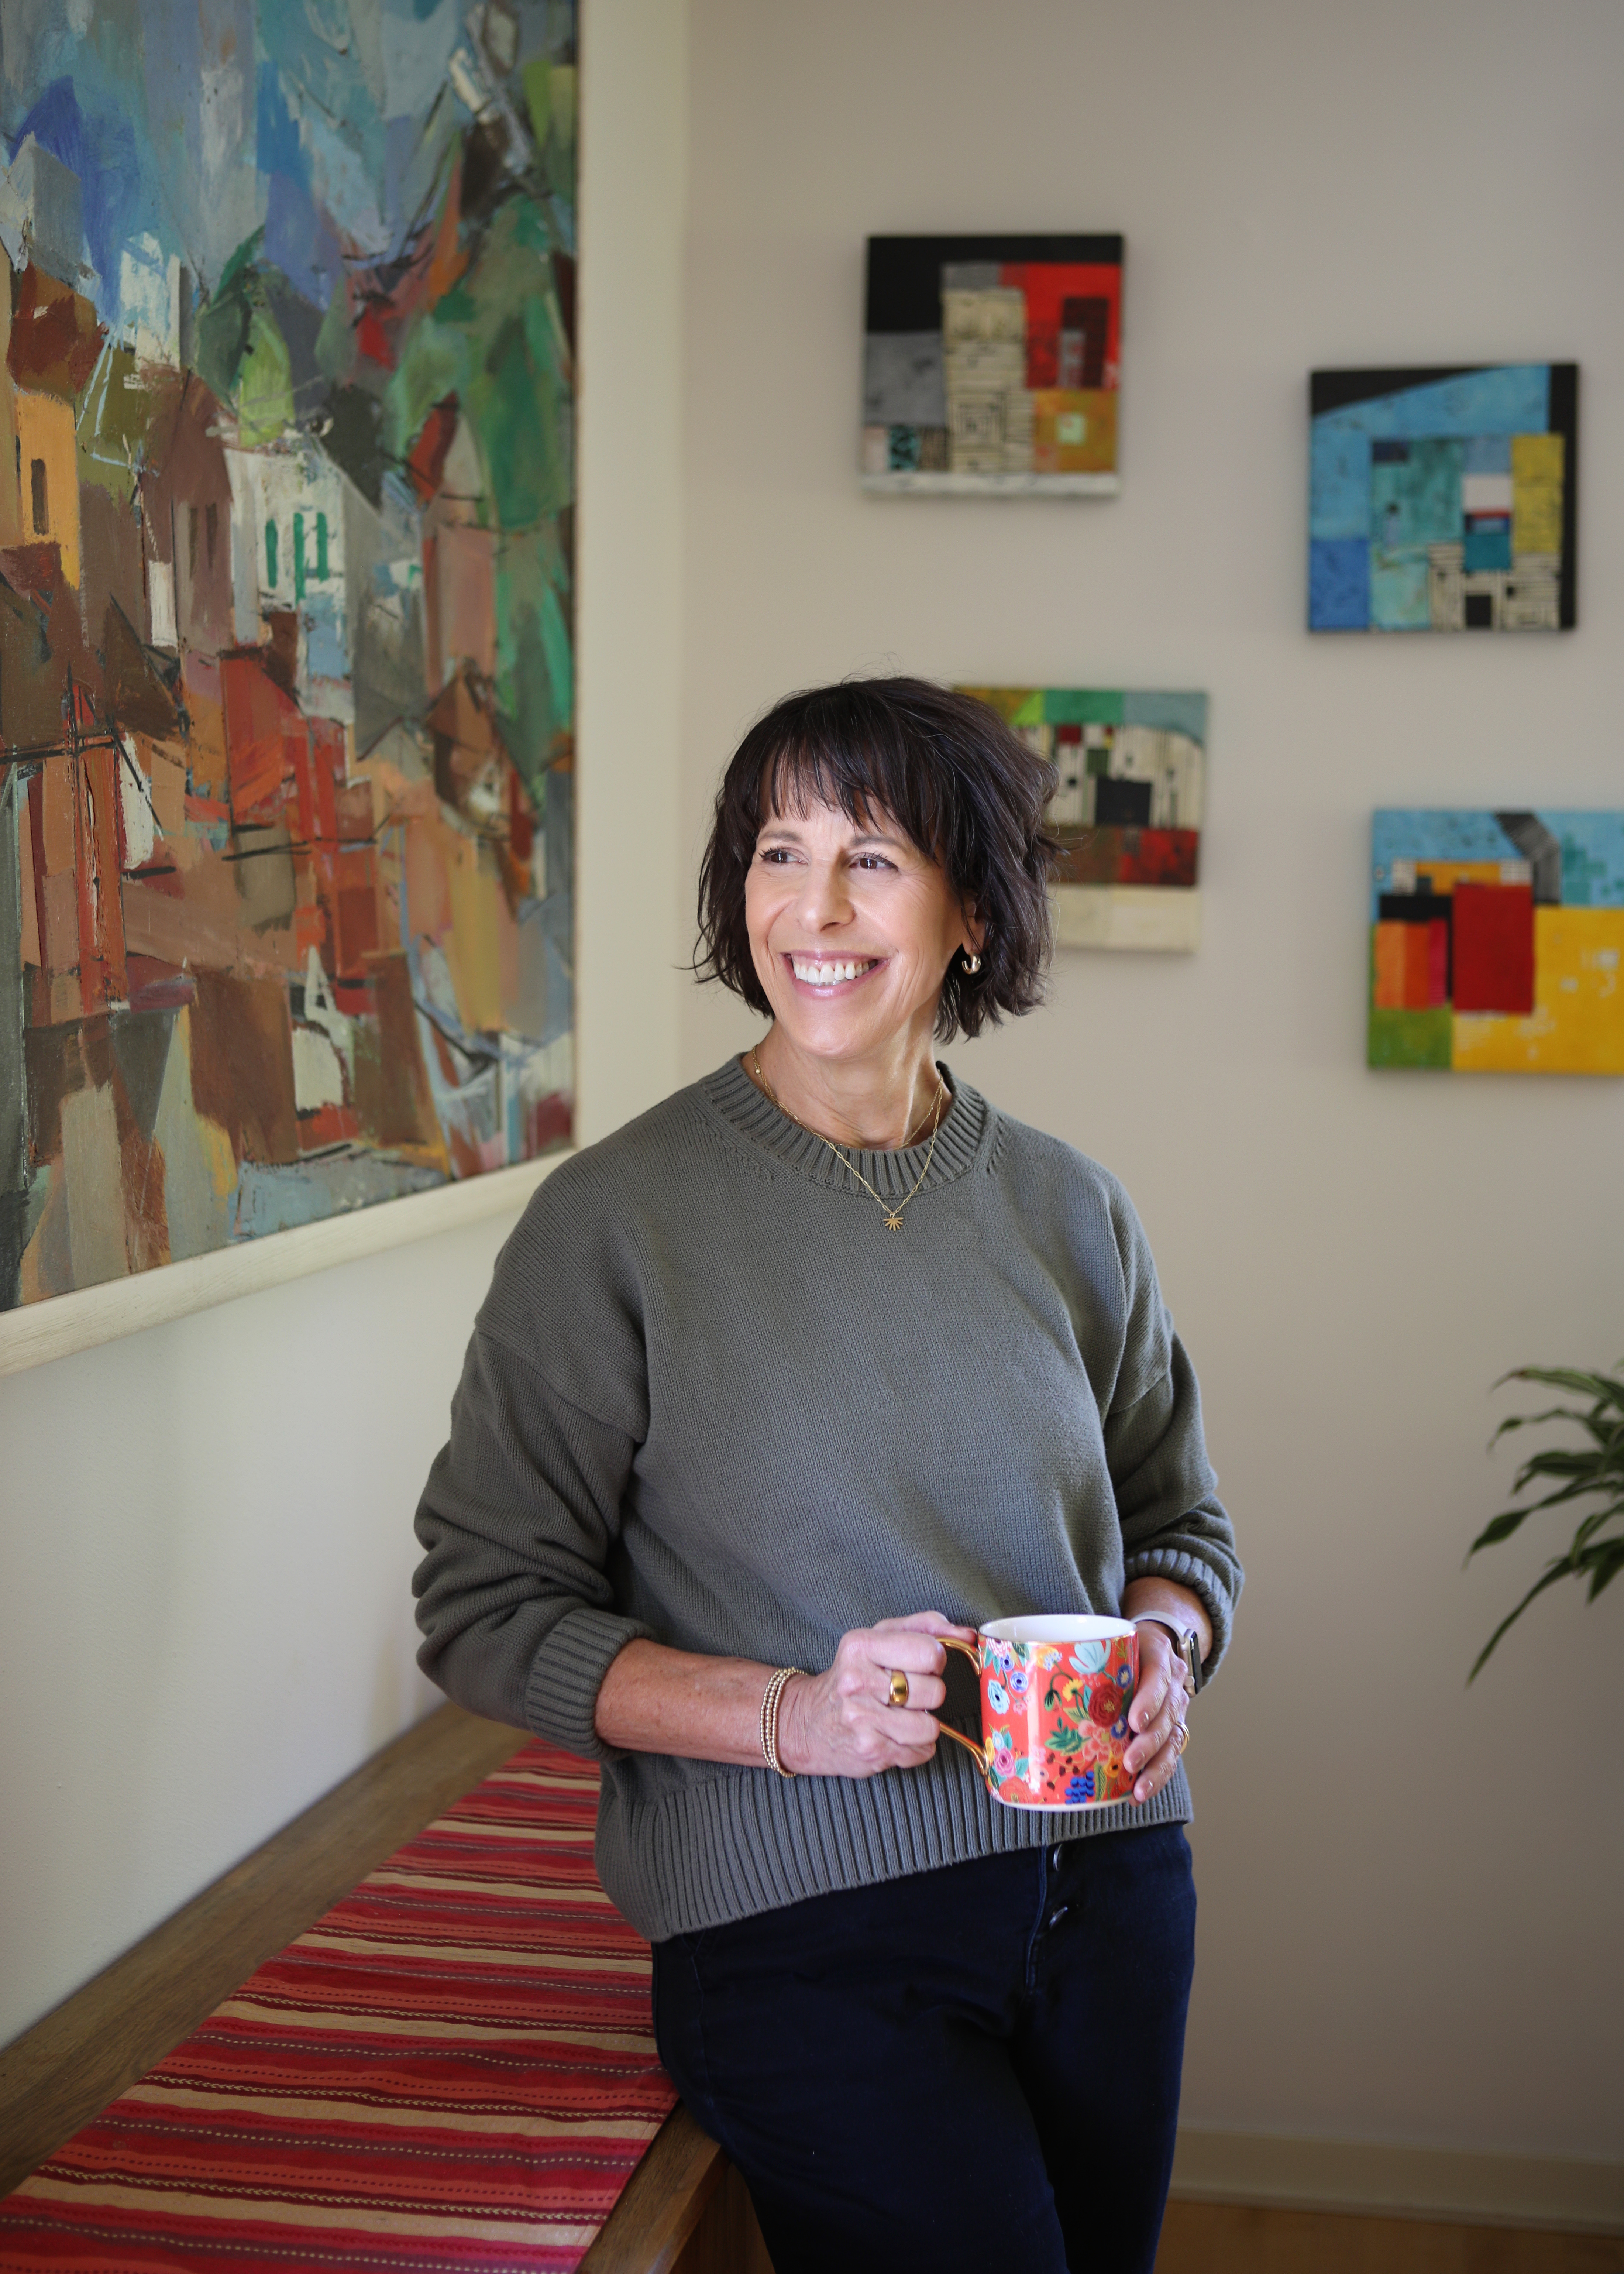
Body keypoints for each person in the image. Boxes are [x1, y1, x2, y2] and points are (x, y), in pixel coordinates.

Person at [413, 677, 1242, 2274]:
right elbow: (483, 1606)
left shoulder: (1073, 1210)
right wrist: (793, 1715)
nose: (813, 905)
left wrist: (1166, 1643)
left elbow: (1179, 1522)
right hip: (799, 1937)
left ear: (969, 915)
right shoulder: (619, 1222)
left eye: (871, 857)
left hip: (1111, 1891)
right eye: (777, 851)